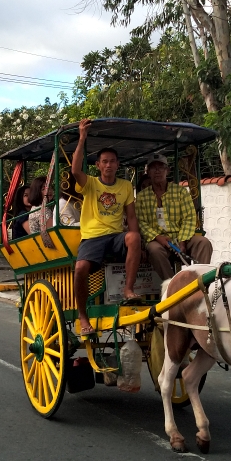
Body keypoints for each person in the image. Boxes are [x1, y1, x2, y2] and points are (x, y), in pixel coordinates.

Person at [72, 118, 141, 335]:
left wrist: (138, 242)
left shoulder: (125, 185)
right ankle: (83, 317)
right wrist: (82, 137)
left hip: (115, 236)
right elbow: (75, 170)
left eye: (112, 161)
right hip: (92, 237)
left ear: (118, 165)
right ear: (98, 165)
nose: (109, 165)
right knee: (80, 268)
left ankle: (128, 289)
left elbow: (131, 216)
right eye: (104, 161)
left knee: (134, 237)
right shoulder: (91, 183)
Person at [135, 152, 212, 280]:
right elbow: (141, 222)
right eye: (153, 168)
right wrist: (158, 237)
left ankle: (202, 282)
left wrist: (182, 241)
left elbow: (189, 217)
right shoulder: (142, 197)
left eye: (161, 167)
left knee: (204, 243)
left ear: (167, 170)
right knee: (154, 250)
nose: (157, 171)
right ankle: (171, 285)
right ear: (148, 172)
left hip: (181, 237)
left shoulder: (180, 191)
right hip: (158, 240)